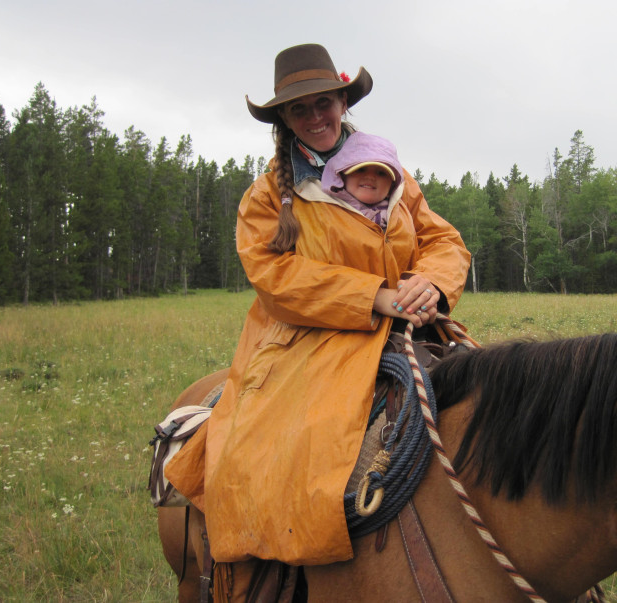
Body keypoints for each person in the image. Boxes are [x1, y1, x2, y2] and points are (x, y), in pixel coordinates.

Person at [165, 43, 470, 597]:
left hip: (409, 322)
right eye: (299, 109)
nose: (316, 118)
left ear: (342, 101)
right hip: (306, 337)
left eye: (324, 103)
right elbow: (273, 276)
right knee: (268, 453)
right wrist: (372, 295)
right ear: (283, 118)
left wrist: (431, 282)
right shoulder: (269, 195)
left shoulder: (390, 170)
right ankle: (261, 572)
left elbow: (441, 238)